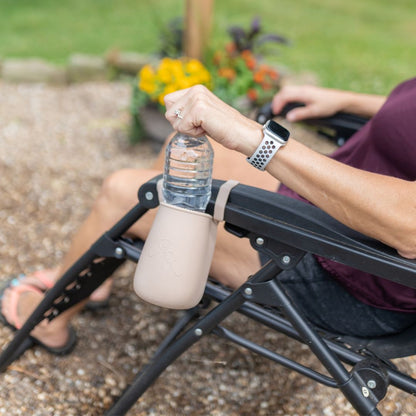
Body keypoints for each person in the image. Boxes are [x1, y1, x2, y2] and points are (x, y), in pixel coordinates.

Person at [1, 78, 416, 355]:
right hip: (331, 213)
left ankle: (52, 320)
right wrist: (353, 102)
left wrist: (258, 140)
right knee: (179, 149)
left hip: (350, 270)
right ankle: (90, 281)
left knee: (125, 194)